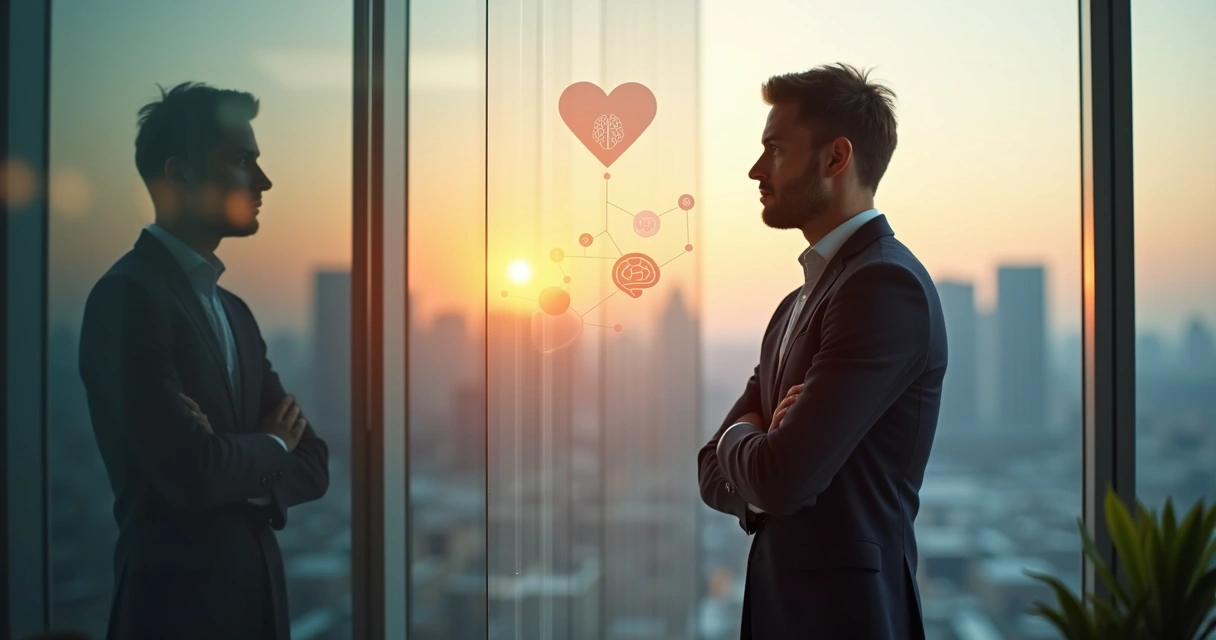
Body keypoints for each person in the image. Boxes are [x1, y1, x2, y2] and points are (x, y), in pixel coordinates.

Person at [697, 63, 947, 639]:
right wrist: (759, 455)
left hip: (848, 620)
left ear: (836, 158)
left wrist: (746, 441)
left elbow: (779, 476)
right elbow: (709, 471)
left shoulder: (885, 287)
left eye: (776, 150)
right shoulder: (795, 305)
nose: (756, 169)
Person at [78, 82, 329, 640]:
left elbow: (314, 461)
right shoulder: (126, 299)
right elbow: (190, 472)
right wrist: (268, 446)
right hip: (175, 617)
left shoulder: (235, 313)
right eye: (243, 161)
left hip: (259, 615)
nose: (264, 182)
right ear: (182, 173)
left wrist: (235, 455)